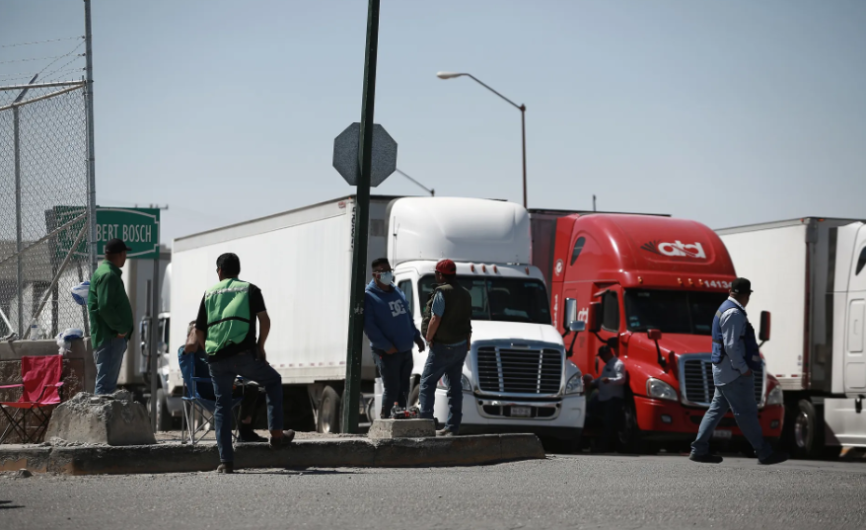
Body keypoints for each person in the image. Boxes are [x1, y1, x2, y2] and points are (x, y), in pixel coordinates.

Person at [185, 253, 294, 474]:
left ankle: (226, 462)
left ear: (220, 271)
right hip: (244, 356)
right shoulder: (250, 289)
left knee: (222, 407)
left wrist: (210, 354)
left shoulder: (209, 293)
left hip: (217, 360)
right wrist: (261, 347)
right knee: (273, 381)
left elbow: (198, 330)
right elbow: (264, 320)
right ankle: (276, 437)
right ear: (238, 270)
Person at [690, 277, 788, 465]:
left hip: (724, 371)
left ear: (730, 291)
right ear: (746, 296)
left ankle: (699, 449)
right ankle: (764, 452)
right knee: (747, 413)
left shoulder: (724, 308)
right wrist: (743, 369)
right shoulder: (734, 313)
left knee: (715, 410)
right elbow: (731, 346)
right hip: (734, 374)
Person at [180, 321, 267, 443]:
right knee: (252, 390)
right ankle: (245, 433)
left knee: (259, 390)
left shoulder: (209, 350)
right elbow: (191, 345)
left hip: (221, 386)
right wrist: (195, 329)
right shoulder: (186, 352)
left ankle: (245, 430)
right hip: (207, 392)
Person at [364, 258, 426, 419]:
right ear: (375, 275)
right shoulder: (370, 296)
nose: (387, 274)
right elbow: (370, 327)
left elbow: (407, 317)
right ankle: (385, 419)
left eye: (388, 270)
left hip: (405, 350)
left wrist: (416, 337)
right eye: (383, 271)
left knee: (404, 389)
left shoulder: (396, 291)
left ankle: (400, 418)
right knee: (392, 388)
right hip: (387, 353)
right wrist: (386, 346)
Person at [419, 259, 472, 436]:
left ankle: (425, 424)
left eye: (436, 273)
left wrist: (429, 337)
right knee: (454, 386)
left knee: (427, 383)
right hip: (460, 346)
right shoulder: (465, 294)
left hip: (443, 347)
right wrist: (467, 342)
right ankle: (452, 426)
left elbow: (436, 318)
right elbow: (467, 321)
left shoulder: (442, 292)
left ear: (441, 275)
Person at [87, 238, 134, 395]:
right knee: (105, 388)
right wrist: (120, 329)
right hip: (111, 338)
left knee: (105, 384)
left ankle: (99, 418)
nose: (125, 258)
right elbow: (105, 307)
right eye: (125, 254)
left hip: (108, 337)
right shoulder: (109, 275)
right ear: (120, 254)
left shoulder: (104, 272)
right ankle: (99, 419)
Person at [583, 344, 627, 452]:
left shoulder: (618, 364)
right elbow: (601, 379)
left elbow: (621, 379)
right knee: (589, 414)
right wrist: (592, 383)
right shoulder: (607, 365)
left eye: (603, 355)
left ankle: (604, 447)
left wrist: (610, 380)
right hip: (603, 398)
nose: (602, 358)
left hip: (613, 400)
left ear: (608, 354)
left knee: (609, 424)